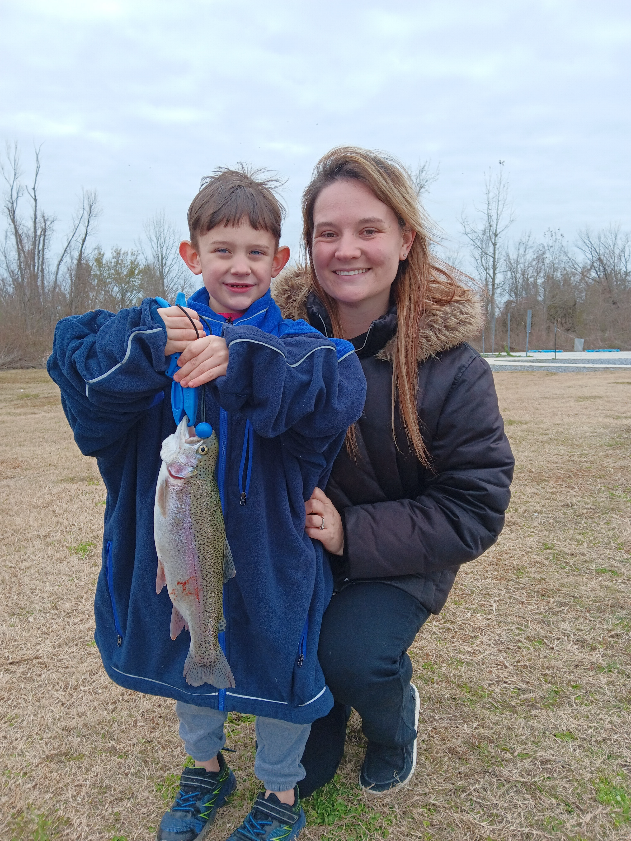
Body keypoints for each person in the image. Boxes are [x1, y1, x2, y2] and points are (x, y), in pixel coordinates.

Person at [47, 167, 366, 841]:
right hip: (178, 551)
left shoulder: (302, 349)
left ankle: (281, 791)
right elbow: (77, 372)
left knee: (282, 673)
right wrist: (145, 340)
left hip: (272, 560)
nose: (240, 265)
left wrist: (241, 358)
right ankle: (204, 765)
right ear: (192, 254)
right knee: (188, 661)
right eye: (222, 249)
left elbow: (335, 386)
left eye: (256, 252)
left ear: (280, 261)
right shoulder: (156, 337)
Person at [272, 147, 515, 796]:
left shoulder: (454, 368)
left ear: (405, 240)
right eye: (327, 233)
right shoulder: (277, 345)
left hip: (402, 551)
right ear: (309, 245)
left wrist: (349, 531)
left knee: (351, 656)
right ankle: (324, 700)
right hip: (304, 551)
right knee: (307, 768)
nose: (345, 249)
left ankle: (392, 720)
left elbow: (473, 506)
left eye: (368, 230)